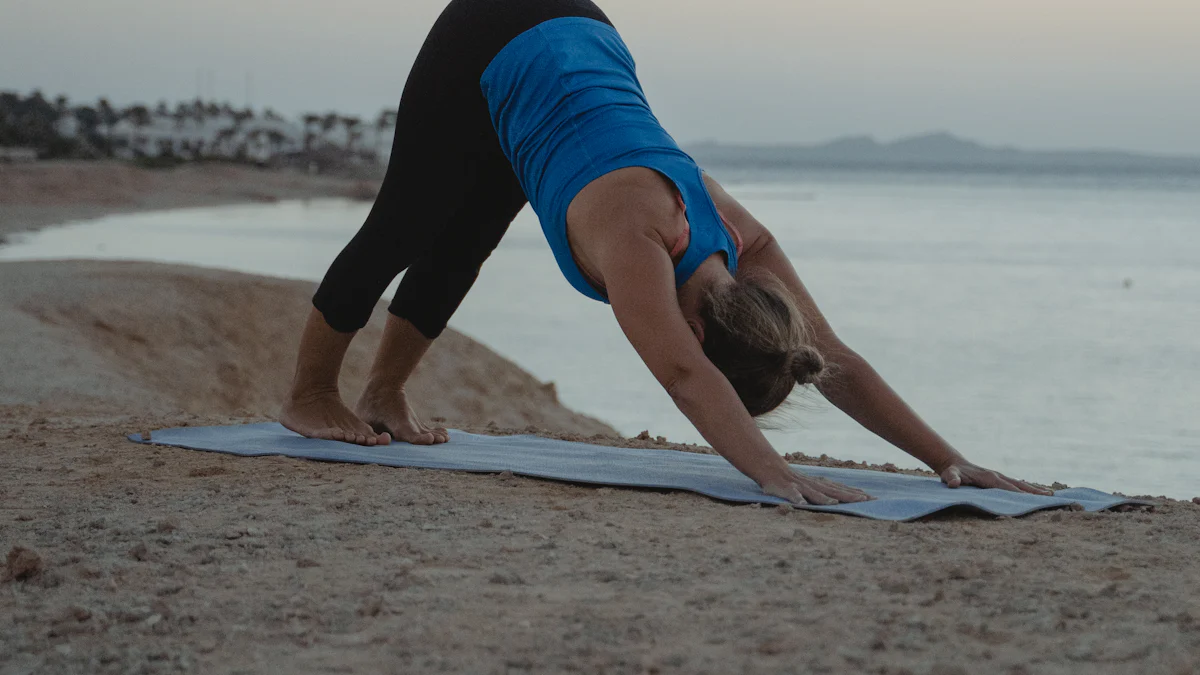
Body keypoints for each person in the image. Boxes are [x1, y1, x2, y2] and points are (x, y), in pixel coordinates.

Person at [281, 0, 1051, 505]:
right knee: (406, 222)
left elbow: (836, 358)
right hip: (498, 24)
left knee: (466, 240)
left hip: (582, 43)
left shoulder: (742, 240)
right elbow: (684, 375)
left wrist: (948, 460)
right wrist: (774, 475)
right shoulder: (636, 240)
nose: (690, 347)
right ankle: (310, 393)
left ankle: (383, 394)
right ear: (710, 334)